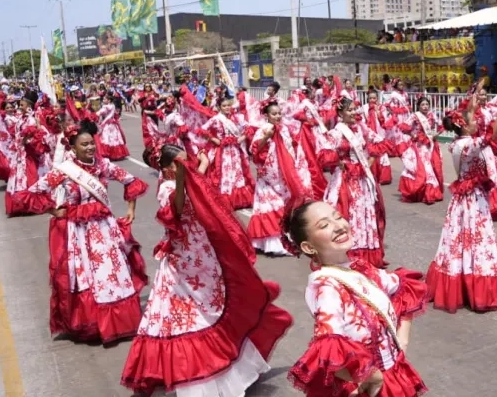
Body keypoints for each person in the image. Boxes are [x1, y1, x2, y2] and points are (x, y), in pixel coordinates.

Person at [122, 145, 292, 396]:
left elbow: (202, 188)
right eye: (180, 162)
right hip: (183, 261)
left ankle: (231, 365)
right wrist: (184, 178)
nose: (187, 164)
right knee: (186, 313)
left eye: (186, 159)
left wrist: (198, 166)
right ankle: (192, 374)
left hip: (204, 253)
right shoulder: (167, 188)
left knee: (215, 304)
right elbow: (177, 210)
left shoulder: (190, 178)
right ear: (168, 168)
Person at [17, 120, 149, 344]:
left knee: (111, 274)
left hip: (104, 229)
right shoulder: (64, 171)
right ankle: (92, 324)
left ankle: (119, 322)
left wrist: (130, 210)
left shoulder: (103, 165)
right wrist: (53, 211)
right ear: (72, 146)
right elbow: (29, 194)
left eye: (91, 144)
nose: (90, 148)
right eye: (84, 144)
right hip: (77, 232)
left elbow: (131, 181)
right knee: (84, 276)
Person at [283, 200, 427, 397]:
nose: (339, 226)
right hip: (368, 387)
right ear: (308, 247)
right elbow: (326, 350)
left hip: (393, 374)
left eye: (338, 217)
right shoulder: (327, 287)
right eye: (324, 225)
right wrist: (370, 377)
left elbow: (406, 288)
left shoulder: (360, 267)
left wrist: (402, 340)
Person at [426, 91, 497, 314]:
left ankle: (461, 281)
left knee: (458, 240)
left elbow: (478, 129)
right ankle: (477, 287)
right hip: (473, 200)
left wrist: (472, 107)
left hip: (463, 199)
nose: (478, 123)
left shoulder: (457, 143)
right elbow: (491, 133)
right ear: (464, 126)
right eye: (474, 121)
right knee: (477, 240)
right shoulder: (468, 145)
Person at [318, 98, 392, 268]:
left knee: (366, 213)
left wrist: (368, 162)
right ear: (340, 113)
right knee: (349, 214)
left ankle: (367, 255)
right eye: (350, 110)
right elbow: (325, 154)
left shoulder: (361, 128)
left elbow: (379, 143)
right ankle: (347, 253)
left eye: (355, 109)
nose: (354, 113)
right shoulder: (337, 132)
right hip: (346, 179)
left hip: (363, 178)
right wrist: (340, 162)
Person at [247, 99, 313, 256]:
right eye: (274, 114)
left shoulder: (284, 129)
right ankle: (272, 243)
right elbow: (254, 151)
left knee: (284, 207)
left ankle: (285, 240)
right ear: (267, 116)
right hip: (268, 178)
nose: (277, 116)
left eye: (279, 113)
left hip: (283, 176)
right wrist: (266, 138)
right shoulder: (263, 129)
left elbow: (291, 149)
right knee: (271, 207)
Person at [201, 96, 255, 210]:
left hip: (235, 150)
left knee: (237, 172)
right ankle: (225, 198)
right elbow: (202, 129)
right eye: (224, 106)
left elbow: (249, 128)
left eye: (228, 105)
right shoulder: (216, 119)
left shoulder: (236, 118)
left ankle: (239, 199)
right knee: (225, 173)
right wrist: (213, 139)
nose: (227, 108)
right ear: (219, 107)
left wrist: (242, 137)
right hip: (223, 152)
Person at [398, 96, 444, 204]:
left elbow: (442, 126)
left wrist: (436, 135)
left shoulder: (432, 115)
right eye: (422, 105)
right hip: (419, 146)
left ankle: (429, 191)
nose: (425, 107)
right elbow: (403, 127)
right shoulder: (415, 116)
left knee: (431, 167)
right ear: (418, 106)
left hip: (430, 145)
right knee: (423, 168)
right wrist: (412, 134)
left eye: (427, 104)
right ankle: (424, 192)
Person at [94, 94, 130, 160]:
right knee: (115, 139)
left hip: (107, 124)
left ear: (109, 100)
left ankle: (107, 153)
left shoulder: (106, 107)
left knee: (106, 138)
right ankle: (117, 153)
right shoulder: (113, 105)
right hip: (113, 124)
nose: (103, 100)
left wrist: (93, 113)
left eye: (105, 99)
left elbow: (99, 113)